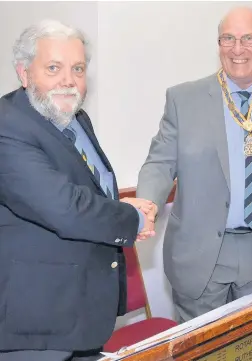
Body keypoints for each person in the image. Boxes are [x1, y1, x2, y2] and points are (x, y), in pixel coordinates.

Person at [136, 6, 252, 323]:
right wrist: (146, 204)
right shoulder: (183, 99)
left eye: (248, 39)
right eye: (228, 38)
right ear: (218, 44)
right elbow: (159, 161)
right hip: (199, 256)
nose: (237, 49)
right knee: (203, 351)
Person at [0, 20, 155, 361]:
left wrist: (125, 206)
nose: (69, 80)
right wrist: (131, 218)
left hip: (82, 315)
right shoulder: (7, 125)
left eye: (78, 68)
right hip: (38, 327)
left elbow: (89, 190)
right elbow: (63, 207)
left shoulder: (74, 117)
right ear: (24, 73)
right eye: (53, 68)